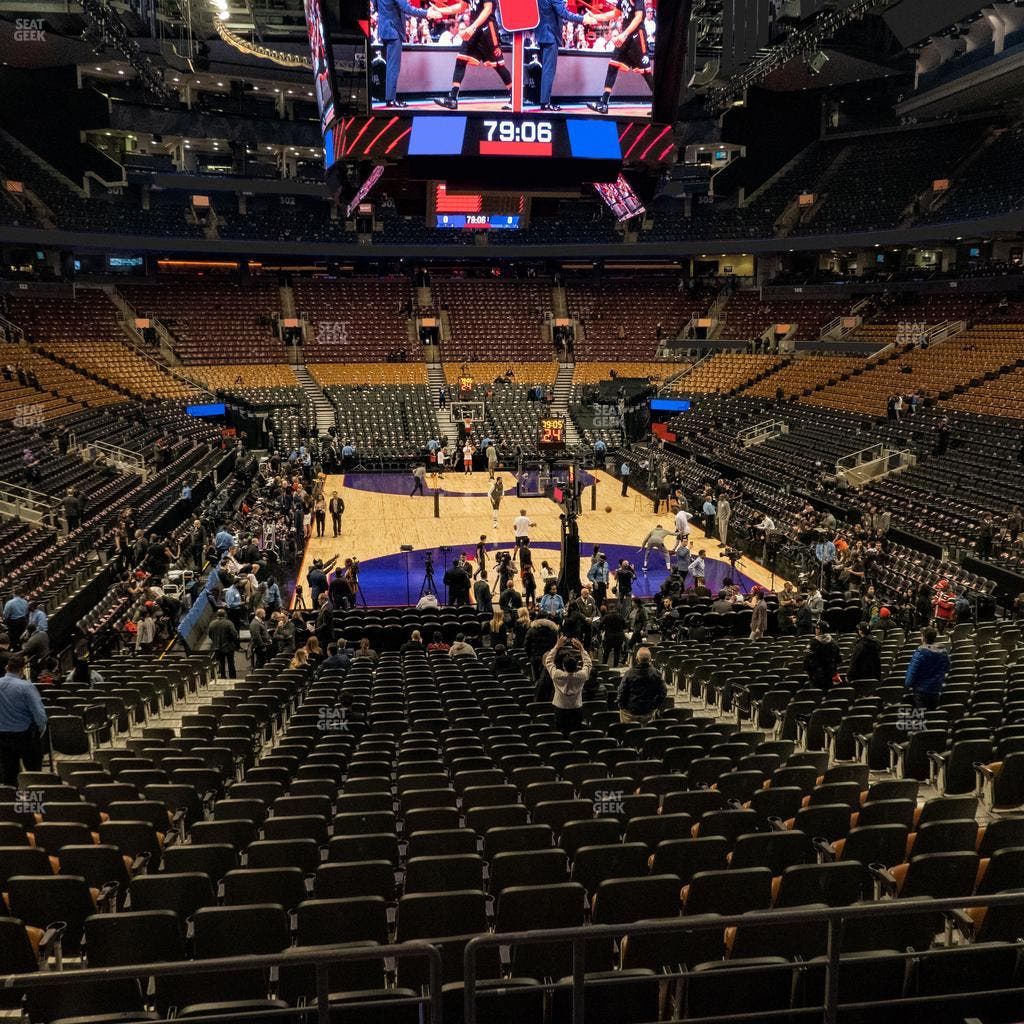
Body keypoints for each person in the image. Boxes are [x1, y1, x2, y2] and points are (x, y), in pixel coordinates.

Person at [427, 0, 513, 110]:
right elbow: (461, 6)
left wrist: (472, 27)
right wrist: (440, 10)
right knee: (460, 60)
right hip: (474, 28)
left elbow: (488, 9)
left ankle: (515, 95)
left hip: (487, 29)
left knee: (498, 65)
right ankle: (452, 98)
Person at [585, 0, 653, 114]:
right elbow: (614, 14)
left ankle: (660, 105)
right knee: (613, 64)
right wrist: (595, 16)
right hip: (625, 36)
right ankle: (603, 103)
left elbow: (639, 17)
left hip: (637, 37)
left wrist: (624, 34)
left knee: (646, 72)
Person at [0, 654, 47, 784]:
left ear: (7, 668)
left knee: (8, 774)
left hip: (3, 736)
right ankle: (34, 795)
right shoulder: (26, 687)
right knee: (34, 774)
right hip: (26, 736)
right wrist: (41, 729)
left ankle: (11, 796)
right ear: (22, 670)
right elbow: (39, 713)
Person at [536, 0, 587, 110]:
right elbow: (564, 14)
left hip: (541, 34)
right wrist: (583, 19)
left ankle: (543, 100)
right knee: (548, 71)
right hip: (550, 36)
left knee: (545, 70)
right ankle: (545, 102)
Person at [377, 0, 427, 107]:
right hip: (393, 31)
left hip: (384, 30)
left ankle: (389, 97)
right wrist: (426, 13)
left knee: (390, 67)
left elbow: (377, 6)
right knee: (393, 68)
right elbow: (407, 8)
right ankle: (391, 99)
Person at [543, 635, 592, 736]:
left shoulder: (557, 675)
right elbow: (588, 663)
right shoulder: (582, 676)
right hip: (576, 708)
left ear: (563, 666)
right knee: (576, 734)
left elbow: (548, 661)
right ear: (576, 666)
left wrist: (557, 646)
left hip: (560, 708)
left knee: (561, 733)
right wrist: (581, 648)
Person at [904, 627, 950, 710]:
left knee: (921, 714)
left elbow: (912, 672)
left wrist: (907, 685)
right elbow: (947, 668)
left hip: (921, 690)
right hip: (936, 689)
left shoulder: (920, 653)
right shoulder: (943, 652)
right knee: (932, 713)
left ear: (924, 638)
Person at [617, 647, 666, 724]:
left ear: (636, 659)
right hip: (648, 711)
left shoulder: (629, 674)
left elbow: (621, 692)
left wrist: (622, 706)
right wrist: (655, 705)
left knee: (629, 730)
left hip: (630, 712)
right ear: (650, 659)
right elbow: (663, 691)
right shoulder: (656, 673)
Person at [804, 622, 841, 688]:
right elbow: (839, 659)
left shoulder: (813, 643)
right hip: (830, 674)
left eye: (816, 628)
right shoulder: (833, 642)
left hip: (816, 675)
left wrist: (807, 671)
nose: (815, 629)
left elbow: (807, 659)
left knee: (816, 693)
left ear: (820, 630)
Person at [208, 608, 239, 679]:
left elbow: (210, 635)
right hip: (229, 647)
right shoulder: (228, 623)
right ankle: (232, 677)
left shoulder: (212, 623)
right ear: (225, 615)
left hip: (217, 646)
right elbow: (234, 635)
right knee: (231, 663)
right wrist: (231, 641)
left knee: (221, 663)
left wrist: (215, 641)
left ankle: (223, 676)